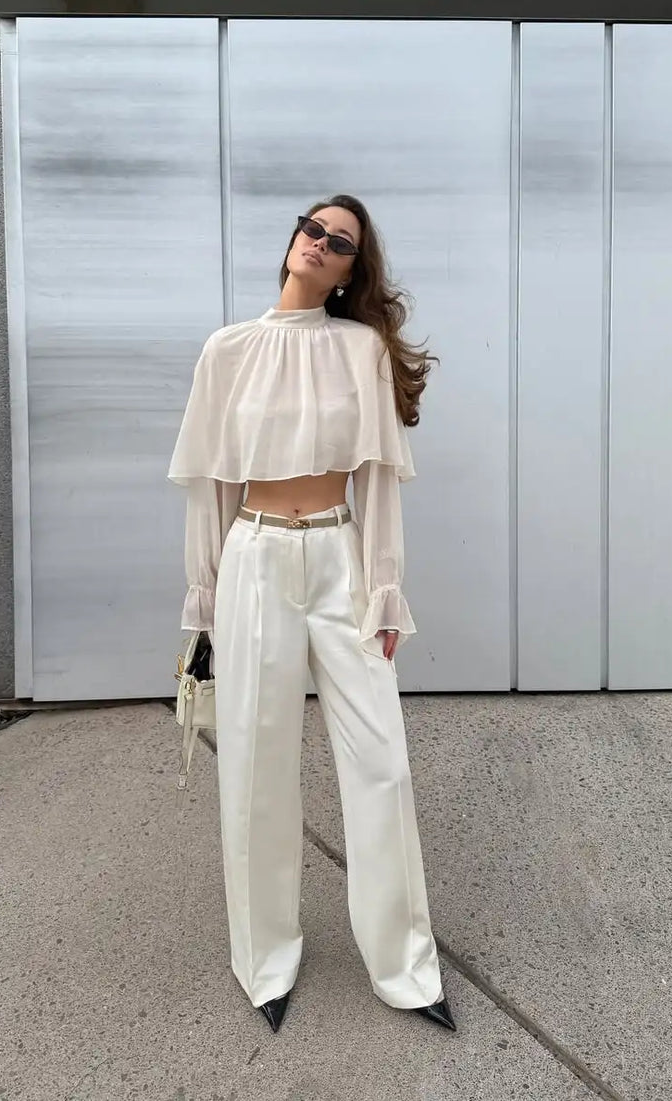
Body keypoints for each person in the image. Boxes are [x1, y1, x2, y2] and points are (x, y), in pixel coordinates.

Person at [167, 194, 454, 1036]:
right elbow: (212, 489)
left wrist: (386, 588)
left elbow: (376, 483)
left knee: (382, 762)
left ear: (349, 271)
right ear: (293, 239)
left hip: (338, 557)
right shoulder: (228, 351)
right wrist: (205, 606)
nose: (320, 244)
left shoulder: (359, 349)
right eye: (314, 228)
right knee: (254, 763)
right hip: (255, 555)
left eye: (341, 243)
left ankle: (405, 964)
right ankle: (265, 960)